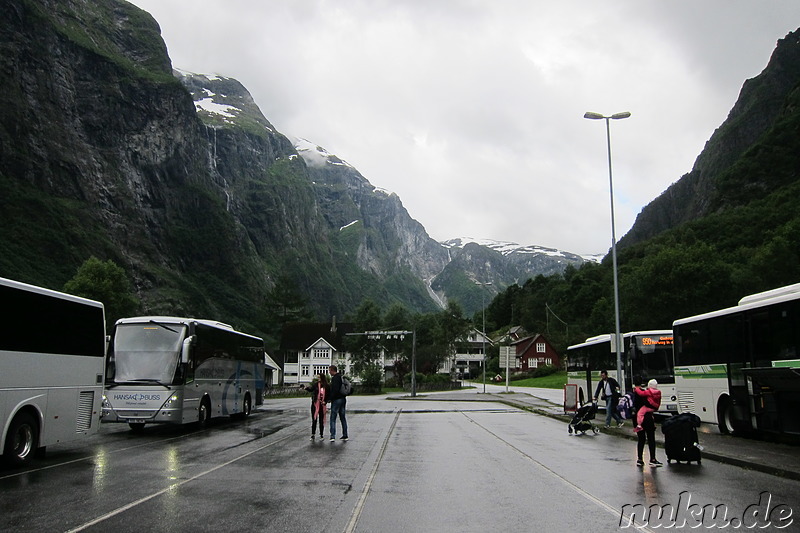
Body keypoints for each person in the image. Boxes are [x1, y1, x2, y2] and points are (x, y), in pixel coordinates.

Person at [633, 379, 662, 467]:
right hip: (648, 418)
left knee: (641, 439)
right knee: (651, 438)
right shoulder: (646, 393)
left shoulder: (633, 393)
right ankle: (652, 459)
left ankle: (640, 459)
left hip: (637, 418)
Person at [302, 373, 329, 440]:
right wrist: (306, 388)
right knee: (314, 419)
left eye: (319, 378)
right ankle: (313, 434)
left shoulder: (327, 386)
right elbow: (311, 389)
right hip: (315, 403)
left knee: (321, 420)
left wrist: (325, 401)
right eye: (318, 378)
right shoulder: (316, 384)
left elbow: (328, 395)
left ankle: (321, 434)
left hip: (322, 404)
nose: (318, 379)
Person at [328, 365, 348, 441]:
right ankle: (345, 435)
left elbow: (335, 390)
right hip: (343, 398)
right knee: (342, 417)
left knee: (333, 417)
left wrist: (330, 398)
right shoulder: (341, 377)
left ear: (333, 370)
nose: (329, 372)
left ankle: (332, 436)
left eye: (330, 371)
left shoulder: (335, 378)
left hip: (336, 400)